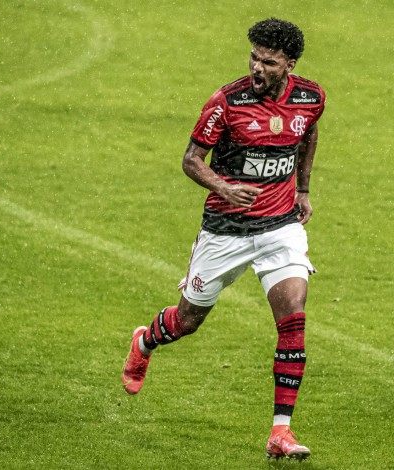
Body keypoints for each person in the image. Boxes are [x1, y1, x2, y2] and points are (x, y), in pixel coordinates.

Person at [121, 18, 325, 461]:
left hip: (279, 227)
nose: (257, 68)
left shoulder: (311, 98)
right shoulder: (227, 102)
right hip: (225, 231)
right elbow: (191, 159)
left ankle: (281, 431)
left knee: (293, 317)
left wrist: (304, 189)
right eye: (254, 58)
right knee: (187, 321)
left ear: (290, 64)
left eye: (269, 62)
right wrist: (223, 187)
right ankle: (145, 341)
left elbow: (308, 134)